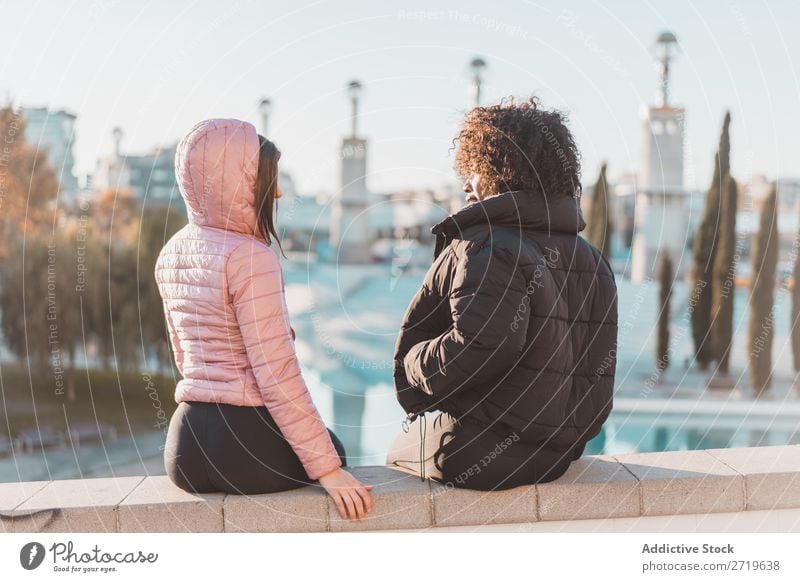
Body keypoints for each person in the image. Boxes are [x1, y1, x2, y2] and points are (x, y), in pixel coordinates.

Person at [387, 97, 618, 491]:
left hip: (476, 454)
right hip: (559, 455)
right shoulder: (591, 257)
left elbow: (481, 347)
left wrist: (411, 361)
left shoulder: (489, 246)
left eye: (476, 168)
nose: (466, 182)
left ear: (500, 171)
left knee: (395, 455)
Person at [156, 118, 372, 522]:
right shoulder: (250, 257)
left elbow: (184, 356)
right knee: (335, 451)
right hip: (243, 445)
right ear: (240, 182)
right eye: (267, 179)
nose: (278, 191)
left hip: (184, 449)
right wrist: (328, 470)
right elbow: (276, 373)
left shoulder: (171, 251)